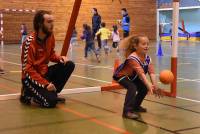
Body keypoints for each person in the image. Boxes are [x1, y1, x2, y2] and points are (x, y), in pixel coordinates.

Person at [20, 10, 75, 108]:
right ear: (40, 24)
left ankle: (51, 92)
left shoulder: (50, 37)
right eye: (49, 22)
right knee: (50, 102)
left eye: (52, 21)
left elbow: (51, 55)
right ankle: (26, 92)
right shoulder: (29, 42)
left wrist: (60, 58)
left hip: (44, 73)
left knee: (69, 65)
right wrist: (45, 84)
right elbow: (27, 69)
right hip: (30, 78)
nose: (52, 24)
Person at [113, 35, 161, 119]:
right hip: (121, 75)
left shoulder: (148, 59)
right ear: (135, 46)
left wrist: (155, 86)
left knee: (144, 88)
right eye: (143, 44)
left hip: (132, 77)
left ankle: (135, 106)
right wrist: (149, 84)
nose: (146, 46)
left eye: (147, 44)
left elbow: (152, 73)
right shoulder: (133, 58)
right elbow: (141, 74)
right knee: (132, 87)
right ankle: (127, 111)